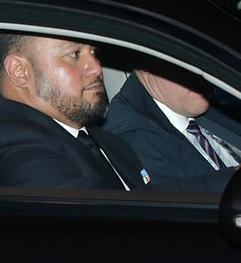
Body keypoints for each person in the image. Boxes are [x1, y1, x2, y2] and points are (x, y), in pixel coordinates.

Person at [0, 32, 150, 190]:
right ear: (19, 71)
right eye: (74, 54)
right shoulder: (15, 155)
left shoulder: (101, 139)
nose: (96, 68)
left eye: (93, 52)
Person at [103, 65, 241, 191]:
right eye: (187, 63)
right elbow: (176, 208)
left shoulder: (200, 99)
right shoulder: (134, 138)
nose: (202, 72)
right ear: (145, 67)